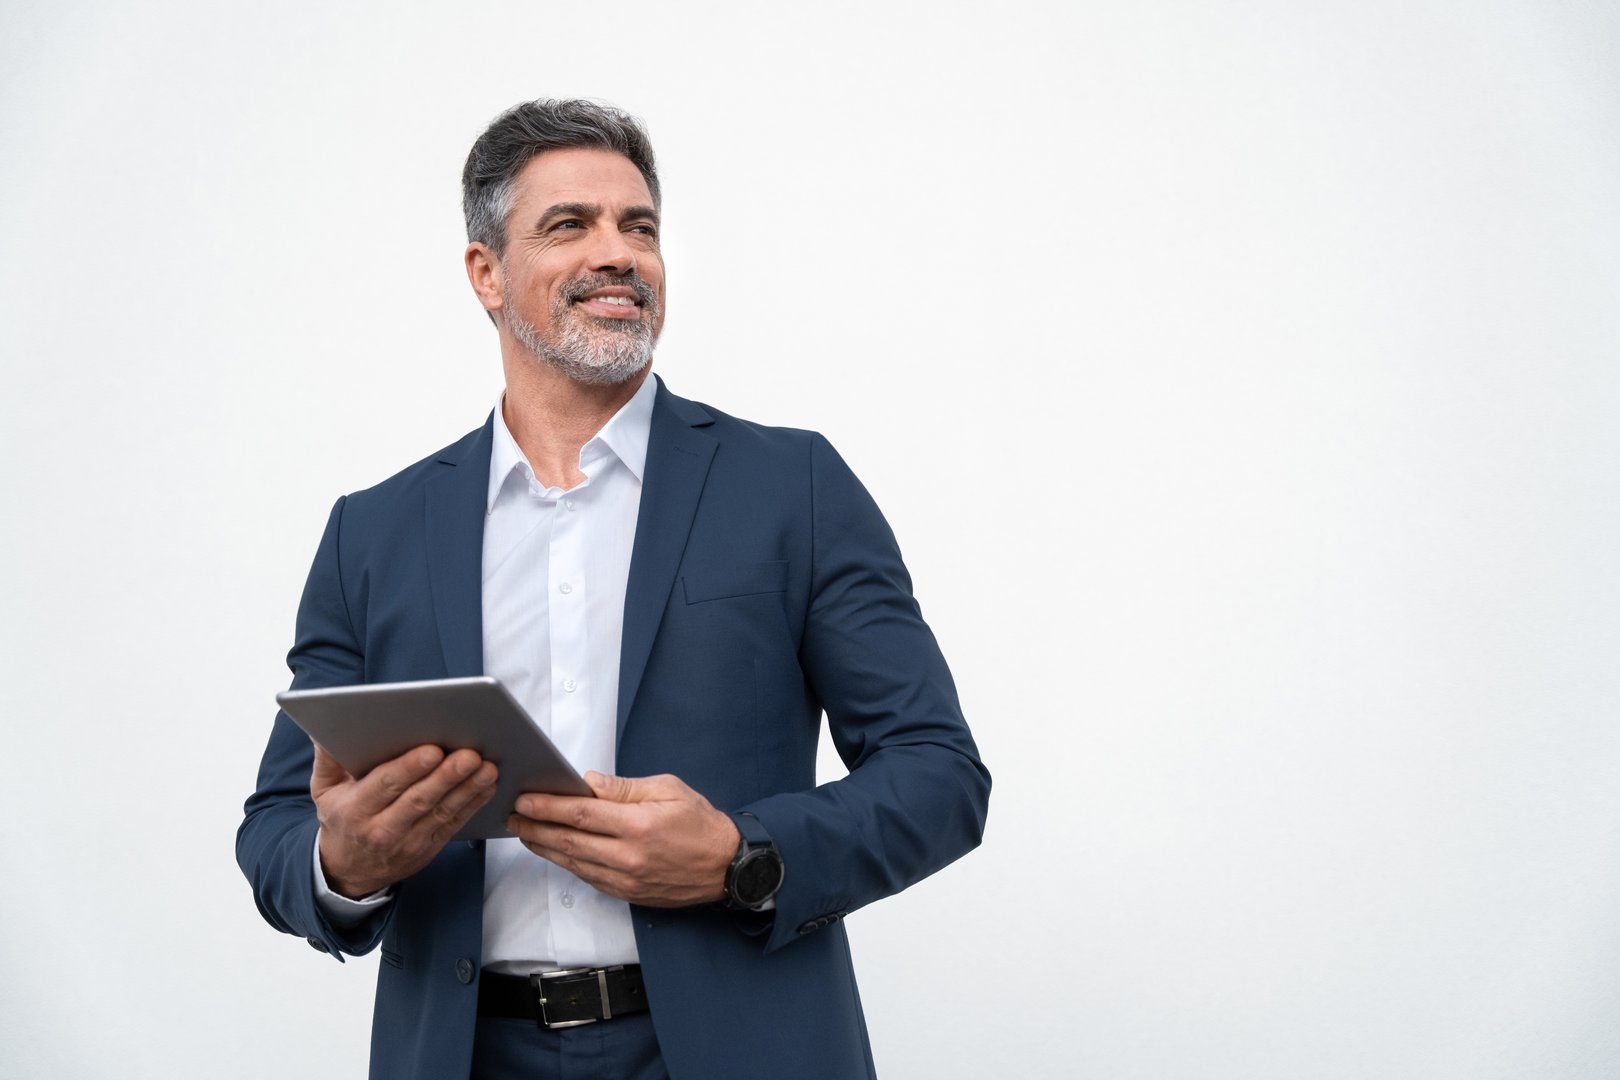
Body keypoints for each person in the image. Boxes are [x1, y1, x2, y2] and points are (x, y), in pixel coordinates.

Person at [237, 98, 990, 1080]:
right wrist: (346, 870)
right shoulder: (374, 532)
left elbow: (939, 773)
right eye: (570, 226)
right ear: (485, 275)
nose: (620, 253)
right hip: (465, 1055)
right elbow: (279, 828)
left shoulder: (789, 489)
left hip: (738, 1052)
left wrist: (739, 854)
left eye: (640, 227)